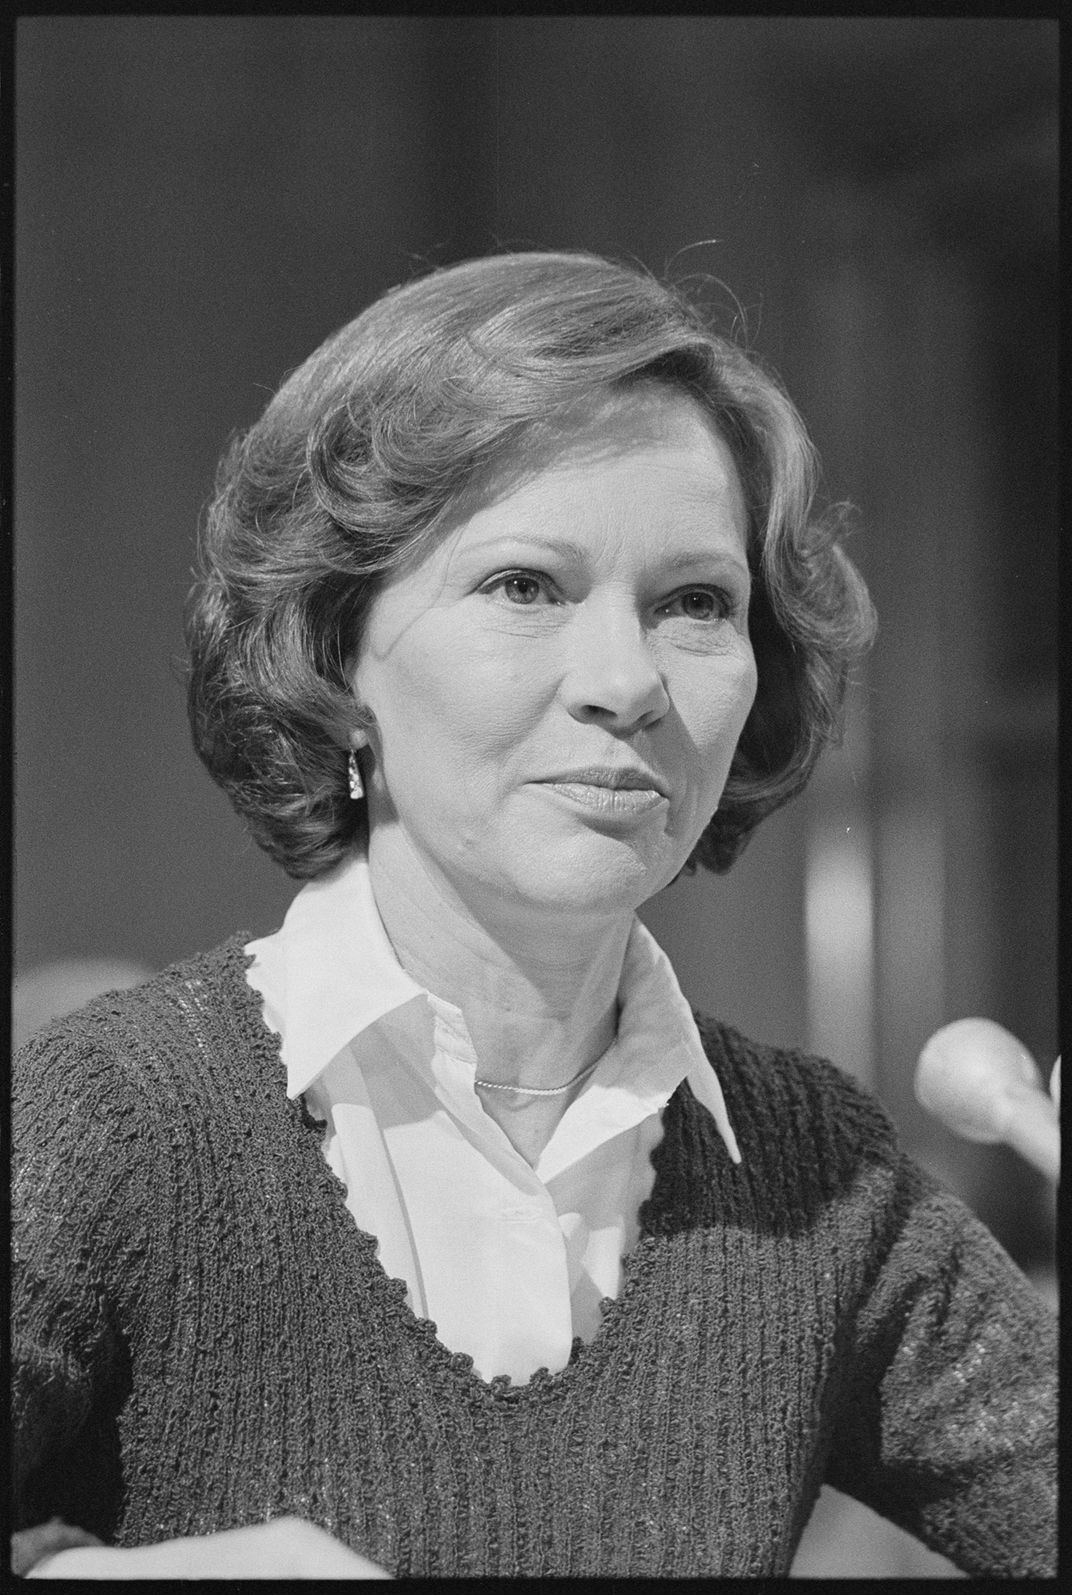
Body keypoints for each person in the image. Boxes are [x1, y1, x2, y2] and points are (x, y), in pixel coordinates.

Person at [11, 251, 1055, 1579]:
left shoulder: (822, 1181)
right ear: (337, 652)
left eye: (695, 603)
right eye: (525, 587)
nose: (627, 680)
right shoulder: (116, 1120)